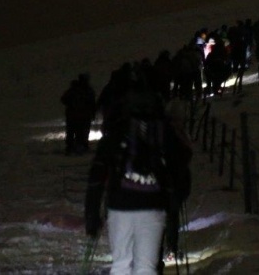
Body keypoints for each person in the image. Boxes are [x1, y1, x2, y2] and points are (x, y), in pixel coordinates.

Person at [84, 67, 192, 274]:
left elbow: (97, 173)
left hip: (120, 205)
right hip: (153, 206)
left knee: (121, 264)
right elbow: (180, 164)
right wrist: (174, 208)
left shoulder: (118, 129)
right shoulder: (164, 130)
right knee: (146, 267)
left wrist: (92, 215)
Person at [60, 73, 97, 155]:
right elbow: (92, 103)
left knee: (74, 131)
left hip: (74, 114)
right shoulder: (87, 90)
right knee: (80, 131)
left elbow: (64, 99)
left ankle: (73, 146)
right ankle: (78, 146)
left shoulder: (74, 89)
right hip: (82, 115)